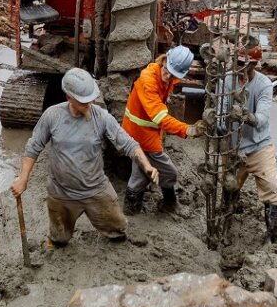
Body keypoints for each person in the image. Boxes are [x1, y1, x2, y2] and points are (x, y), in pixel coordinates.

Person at [10, 68, 159, 247]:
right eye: (83, 101)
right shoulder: (52, 116)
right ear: (69, 97)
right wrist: (23, 178)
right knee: (59, 239)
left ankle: (112, 229)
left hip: (95, 189)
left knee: (118, 230)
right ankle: (58, 238)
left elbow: (127, 143)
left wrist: (146, 165)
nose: (89, 104)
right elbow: (33, 146)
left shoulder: (101, 117)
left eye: (91, 99)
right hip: (61, 192)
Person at [121, 45, 200, 215]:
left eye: (174, 75)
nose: (168, 76)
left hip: (144, 133)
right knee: (167, 172)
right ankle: (167, 204)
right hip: (141, 135)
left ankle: (131, 209)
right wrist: (187, 130)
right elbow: (160, 117)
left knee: (140, 172)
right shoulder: (148, 81)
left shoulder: (165, 77)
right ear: (164, 60)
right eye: (167, 70)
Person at [222, 45, 277, 243]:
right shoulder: (227, 80)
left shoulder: (264, 84)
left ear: (254, 65)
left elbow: (263, 118)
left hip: (259, 146)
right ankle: (226, 226)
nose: (239, 68)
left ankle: (274, 238)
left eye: (243, 65)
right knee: (230, 186)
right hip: (233, 146)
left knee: (271, 189)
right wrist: (220, 126)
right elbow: (221, 109)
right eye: (237, 63)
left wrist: (247, 116)